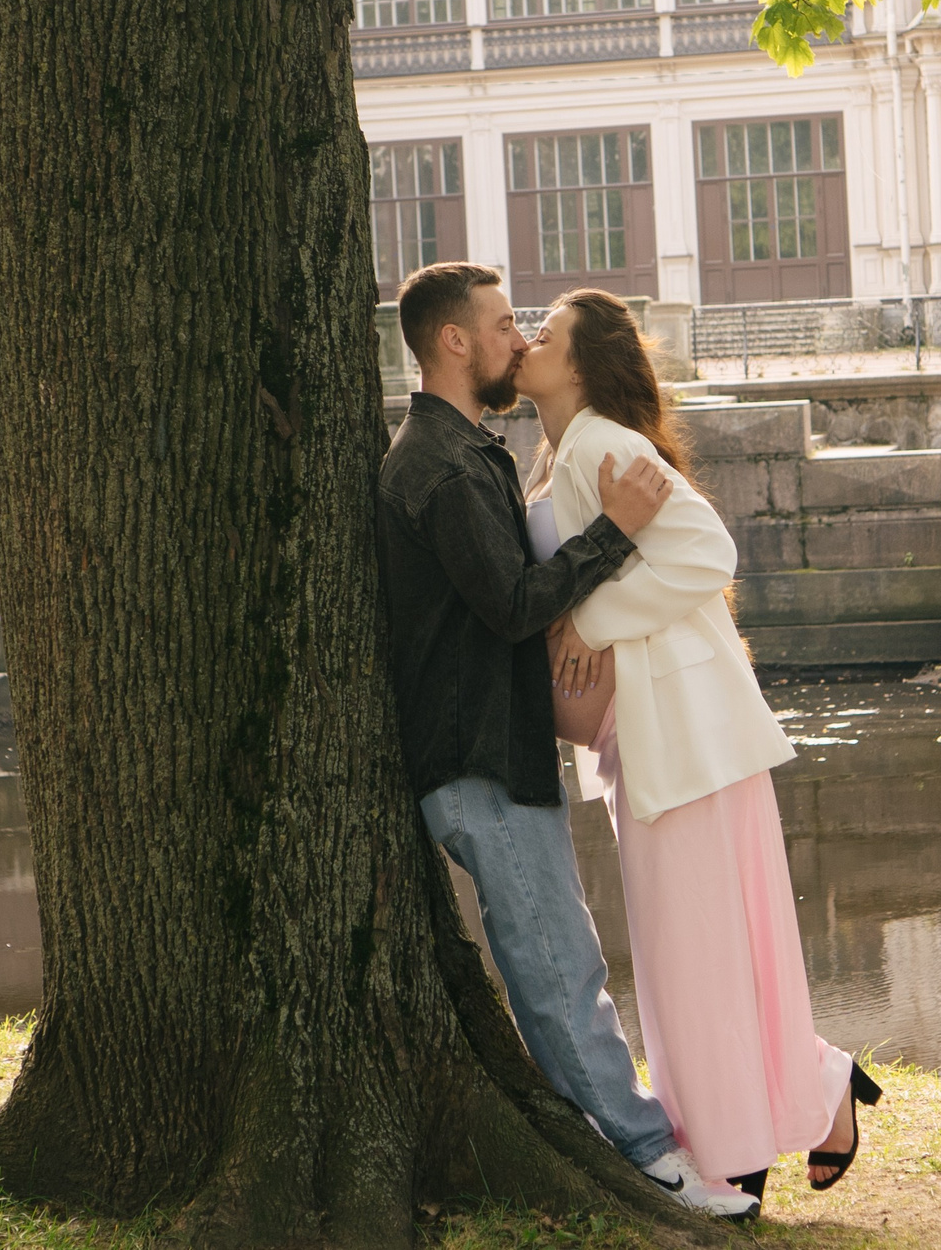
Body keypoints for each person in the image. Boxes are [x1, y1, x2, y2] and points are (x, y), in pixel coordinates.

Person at [376, 261, 758, 1222]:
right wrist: (616, 535)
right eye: (505, 324)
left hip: (497, 753)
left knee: (561, 958)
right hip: (475, 761)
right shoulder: (440, 464)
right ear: (454, 341)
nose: (518, 338)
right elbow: (510, 604)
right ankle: (650, 1160)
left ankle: (618, 1143)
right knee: (559, 967)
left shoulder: (472, 454)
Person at [515, 288, 880, 1208]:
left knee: (703, 954)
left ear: (585, 361)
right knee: (705, 952)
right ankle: (791, 1103)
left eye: (544, 334)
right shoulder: (563, 451)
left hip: (687, 734)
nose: (527, 341)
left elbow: (709, 551)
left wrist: (591, 623)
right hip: (656, 736)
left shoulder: (602, 443)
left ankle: (736, 1143)